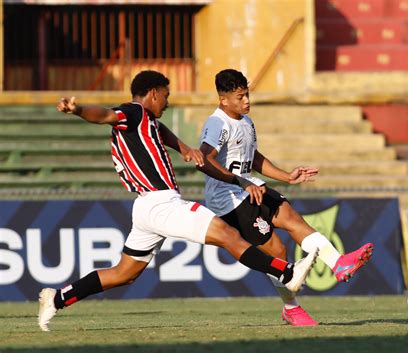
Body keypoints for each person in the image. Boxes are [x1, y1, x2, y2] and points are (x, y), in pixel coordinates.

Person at [37, 70, 318, 332]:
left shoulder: (147, 122)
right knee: (227, 233)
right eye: (166, 95)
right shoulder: (133, 112)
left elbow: (161, 132)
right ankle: (287, 273)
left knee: (124, 273)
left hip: (147, 207)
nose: (168, 102)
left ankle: (57, 298)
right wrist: (78, 110)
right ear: (153, 93)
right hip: (161, 203)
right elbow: (106, 115)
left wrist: (183, 147)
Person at [197, 69, 374, 327]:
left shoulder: (246, 121)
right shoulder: (217, 123)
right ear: (223, 100)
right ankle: (291, 308)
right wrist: (241, 182)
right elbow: (204, 160)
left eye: (247, 94)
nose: (247, 101)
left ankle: (339, 263)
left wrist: (287, 177)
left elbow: (254, 158)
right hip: (229, 200)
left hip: (251, 187)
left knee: (291, 217)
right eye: (240, 97)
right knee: (277, 252)